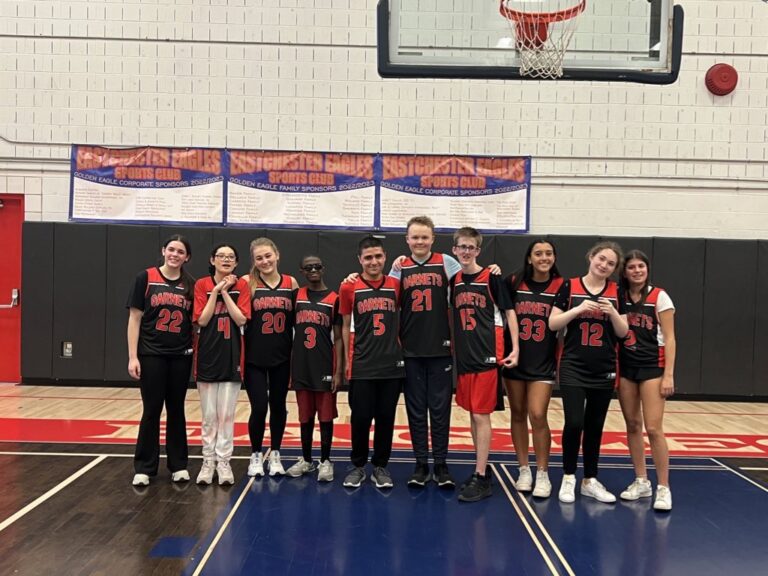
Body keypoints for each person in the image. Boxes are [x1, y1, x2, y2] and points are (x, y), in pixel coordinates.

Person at [549, 241, 629, 504]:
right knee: (574, 422)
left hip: (604, 368)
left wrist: (613, 313)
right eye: (601, 259)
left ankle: (590, 479)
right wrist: (578, 309)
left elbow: (623, 332)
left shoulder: (618, 292)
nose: (604, 265)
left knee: (595, 426)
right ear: (591, 257)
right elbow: (552, 323)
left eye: (611, 264)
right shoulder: (569, 286)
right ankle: (569, 476)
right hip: (573, 365)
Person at [389, 216, 461, 488]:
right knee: (416, 410)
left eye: (424, 237)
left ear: (433, 239)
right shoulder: (399, 268)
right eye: (415, 237)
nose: (419, 242)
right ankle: (420, 463)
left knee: (440, 410)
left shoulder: (447, 262)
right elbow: (385, 297)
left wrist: (491, 269)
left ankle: (441, 464)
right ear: (407, 240)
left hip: (441, 348)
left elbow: (470, 281)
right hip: (410, 350)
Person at [451, 227, 519, 503]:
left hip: (488, 355)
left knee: (481, 416)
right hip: (465, 357)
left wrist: (515, 348)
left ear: (478, 251)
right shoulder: (454, 279)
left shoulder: (491, 277)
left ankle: (481, 476)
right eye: (461, 247)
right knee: (471, 414)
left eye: (471, 247)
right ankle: (480, 469)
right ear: (454, 249)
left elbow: (510, 313)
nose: (466, 251)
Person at [126, 235, 195, 487]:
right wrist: (133, 356)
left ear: (187, 257)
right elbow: (134, 319)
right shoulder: (145, 278)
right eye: (171, 249)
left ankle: (178, 465)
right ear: (163, 251)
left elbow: (195, 322)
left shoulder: (191, 284)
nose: (175, 254)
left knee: (176, 409)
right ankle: (144, 467)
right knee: (152, 409)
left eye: (181, 251)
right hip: (151, 354)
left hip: (180, 355)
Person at [340, 235, 405, 490]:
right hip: (362, 364)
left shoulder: (395, 285)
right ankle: (357, 466)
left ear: (385, 257)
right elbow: (345, 326)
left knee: (386, 418)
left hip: (391, 364)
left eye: (378, 256)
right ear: (359, 260)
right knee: (361, 418)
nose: (373, 261)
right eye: (368, 257)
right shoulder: (349, 287)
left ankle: (380, 466)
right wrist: (347, 360)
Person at [502, 239, 563, 499]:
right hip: (516, 358)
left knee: (537, 414)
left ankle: (543, 472)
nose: (544, 257)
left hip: (543, 361)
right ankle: (524, 468)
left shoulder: (563, 286)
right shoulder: (513, 281)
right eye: (538, 253)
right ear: (529, 258)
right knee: (517, 413)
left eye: (548, 253)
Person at [617, 250, 676, 511]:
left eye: (641, 266)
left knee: (653, 428)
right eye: (632, 267)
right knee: (632, 424)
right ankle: (641, 480)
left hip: (653, 366)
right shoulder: (619, 296)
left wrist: (669, 374)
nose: (637, 271)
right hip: (627, 367)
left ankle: (663, 486)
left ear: (647, 269)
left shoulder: (659, 296)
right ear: (625, 271)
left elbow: (671, 338)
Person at [193, 244, 250, 486]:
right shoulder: (201, 285)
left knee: (226, 415)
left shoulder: (243, 286)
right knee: (209, 416)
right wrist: (215, 291)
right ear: (212, 259)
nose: (225, 260)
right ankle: (208, 461)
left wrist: (226, 292)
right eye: (221, 256)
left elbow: (241, 319)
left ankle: (224, 461)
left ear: (236, 263)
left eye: (230, 257)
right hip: (207, 357)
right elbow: (203, 320)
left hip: (232, 357)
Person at [243, 238, 299, 477]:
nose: (264, 261)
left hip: (282, 356)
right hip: (254, 357)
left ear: (277, 254)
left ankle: (275, 452)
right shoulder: (247, 282)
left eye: (268, 256)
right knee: (258, 407)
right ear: (253, 261)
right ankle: (256, 454)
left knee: (278, 406)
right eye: (259, 258)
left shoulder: (291, 282)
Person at [285, 255, 343, 482]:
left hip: (324, 365)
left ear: (323, 268)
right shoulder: (296, 296)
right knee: (305, 416)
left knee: (326, 417)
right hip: (301, 365)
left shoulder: (334, 299)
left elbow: (338, 338)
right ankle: (307, 459)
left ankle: (326, 461)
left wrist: (338, 371)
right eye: (308, 267)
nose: (313, 270)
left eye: (317, 266)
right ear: (302, 271)